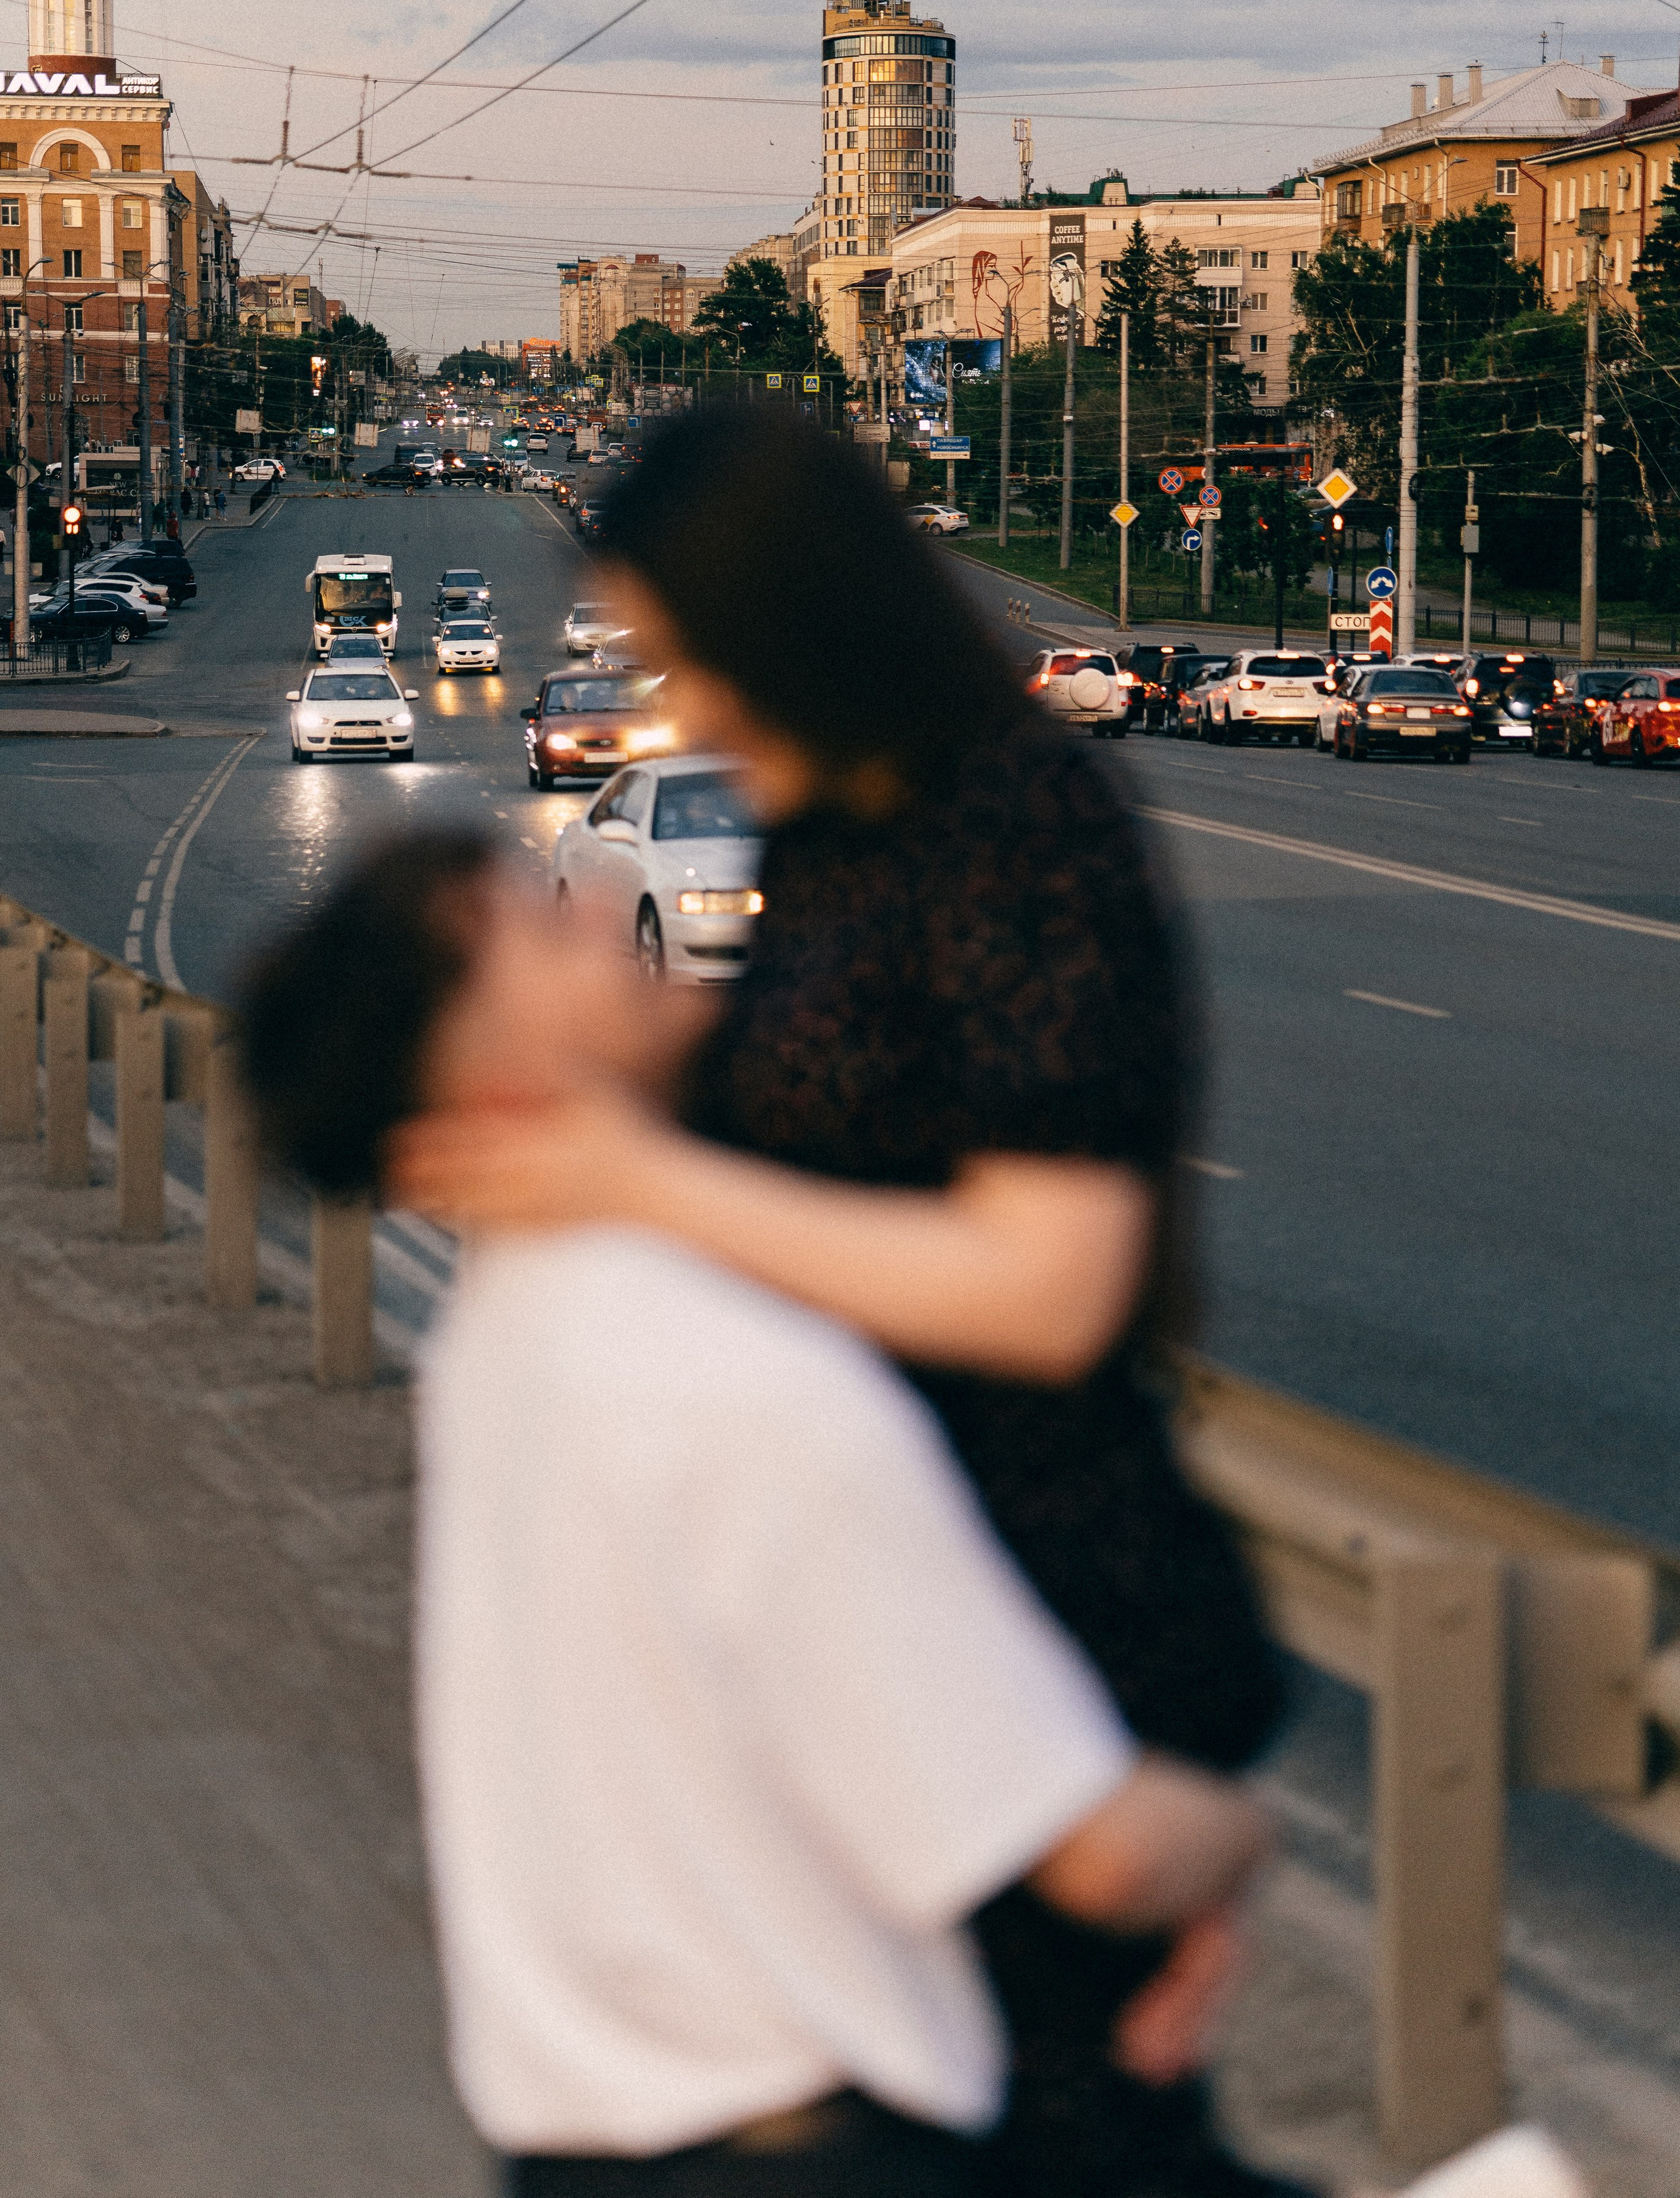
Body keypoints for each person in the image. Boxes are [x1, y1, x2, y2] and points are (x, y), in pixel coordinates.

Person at [390, 409, 1297, 2198]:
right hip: (905, 1627)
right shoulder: (819, 835)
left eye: (692, 652)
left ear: (799, 613)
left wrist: (632, 1178)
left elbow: (1053, 1290)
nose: (681, 700)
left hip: (1047, 1612)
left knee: (1050, 2140)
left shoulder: (1017, 821)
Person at [236, 832, 1272, 2196]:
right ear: (501, 1091)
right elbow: (1096, 1852)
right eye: (545, 927)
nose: (605, 904)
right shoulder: (738, 1379)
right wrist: (1240, 1840)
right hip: (816, 2162)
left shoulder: (493, 1354)